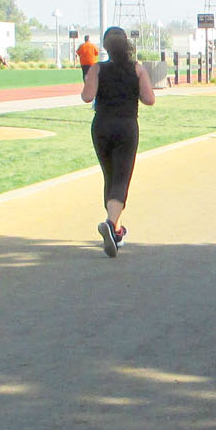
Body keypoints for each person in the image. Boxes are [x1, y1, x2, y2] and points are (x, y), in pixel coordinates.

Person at [80, 25, 156, 258]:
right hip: (126, 126)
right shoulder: (137, 69)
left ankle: (117, 231)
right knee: (122, 177)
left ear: (105, 47)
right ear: (126, 45)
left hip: (101, 126)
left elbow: (87, 97)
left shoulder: (97, 68)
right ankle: (111, 226)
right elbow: (149, 99)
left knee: (110, 176)